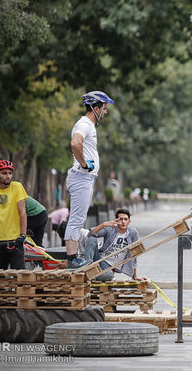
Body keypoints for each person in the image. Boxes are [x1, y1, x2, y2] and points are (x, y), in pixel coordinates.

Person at [65, 91, 114, 268]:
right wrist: (84, 164)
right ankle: (71, 259)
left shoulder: (88, 125)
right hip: (81, 176)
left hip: (85, 178)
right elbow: (75, 143)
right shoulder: (84, 124)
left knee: (79, 218)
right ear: (95, 108)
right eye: (104, 108)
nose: (105, 112)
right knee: (77, 219)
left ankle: (74, 255)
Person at [84, 208, 140, 281]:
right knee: (92, 239)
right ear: (116, 220)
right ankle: (88, 267)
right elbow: (91, 234)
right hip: (100, 259)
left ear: (129, 221)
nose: (123, 222)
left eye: (125, 219)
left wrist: (134, 276)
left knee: (109, 275)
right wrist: (103, 225)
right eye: (120, 219)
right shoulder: (110, 229)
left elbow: (134, 254)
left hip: (109, 267)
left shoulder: (133, 233)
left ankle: (88, 275)